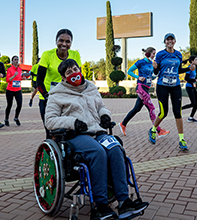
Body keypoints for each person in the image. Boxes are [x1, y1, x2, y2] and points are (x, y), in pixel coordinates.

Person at [45, 59, 149, 220]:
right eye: (69, 72)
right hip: (76, 135)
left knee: (115, 149)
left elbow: (101, 106)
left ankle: (124, 201)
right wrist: (73, 123)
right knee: (98, 152)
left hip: (97, 132)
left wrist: (105, 115)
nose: (74, 73)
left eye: (75, 69)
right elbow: (50, 121)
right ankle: (100, 206)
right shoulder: (57, 94)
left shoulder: (91, 88)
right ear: (64, 78)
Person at [150, 33, 194, 150]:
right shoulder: (160, 54)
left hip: (175, 86)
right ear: (165, 42)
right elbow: (156, 72)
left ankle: (181, 140)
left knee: (177, 112)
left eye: (172, 39)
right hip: (162, 86)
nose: (170, 41)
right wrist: (155, 67)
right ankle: (153, 129)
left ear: (175, 41)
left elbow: (179, 70)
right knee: (163, 112)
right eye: (167, 40)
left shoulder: (178, 54)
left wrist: (188, 69)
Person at [37, 29, 82, 138]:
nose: (64, 44)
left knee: (71, 130)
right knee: (52, 132)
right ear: (56, 41)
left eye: (68, 41)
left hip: (68, 98)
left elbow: (79, 78)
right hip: (49, 98)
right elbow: (39, 81)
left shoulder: (75, 55)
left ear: (71, 43)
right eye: (61, 40)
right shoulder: (47, 55)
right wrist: (46, 96)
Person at [119, 47, 170, 138]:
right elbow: (129, 71)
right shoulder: (140, 62)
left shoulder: (151, 63)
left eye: (155, 53)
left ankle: (123, 124)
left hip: (146, 88)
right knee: (151, 108)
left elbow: (151, 77)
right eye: (153, 53)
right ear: (148, 54)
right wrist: (138, 77)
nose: (154, 55)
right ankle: (158, 130)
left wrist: (157, 73)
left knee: (137, 109)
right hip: (141, 87)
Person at [4, 56, 25, 126]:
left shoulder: (20, 69)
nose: (16, 61)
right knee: (9, 105)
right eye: (15, 60)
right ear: (12, 61)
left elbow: (18, 78)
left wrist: (22, 78)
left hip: (18, 89)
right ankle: (6, 119)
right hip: (10, 90)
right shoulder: (10, 69)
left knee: (19, 104)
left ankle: (16, 117)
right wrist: (13, 76)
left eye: (17, 59)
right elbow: (7, 80)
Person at [182, 56, 197, 123]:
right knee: (193, 103)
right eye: (196, 60)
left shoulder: (194, 68)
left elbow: (192, 77)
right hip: (189, 87)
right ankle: (180, 109)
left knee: (196, 103)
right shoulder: (189, 68)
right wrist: (195, 79)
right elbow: (186, 78)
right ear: (192, 61)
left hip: (193, 87)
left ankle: (191, 117)